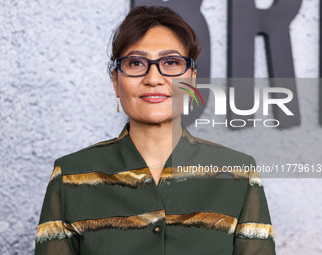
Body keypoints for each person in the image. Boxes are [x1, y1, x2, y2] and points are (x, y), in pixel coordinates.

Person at [35, 5, 276, 255]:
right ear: (116, 82)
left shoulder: (237, 174)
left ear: (191, 80)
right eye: (136, 63)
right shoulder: (71, 176)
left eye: (171, 62)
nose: (153, 78)